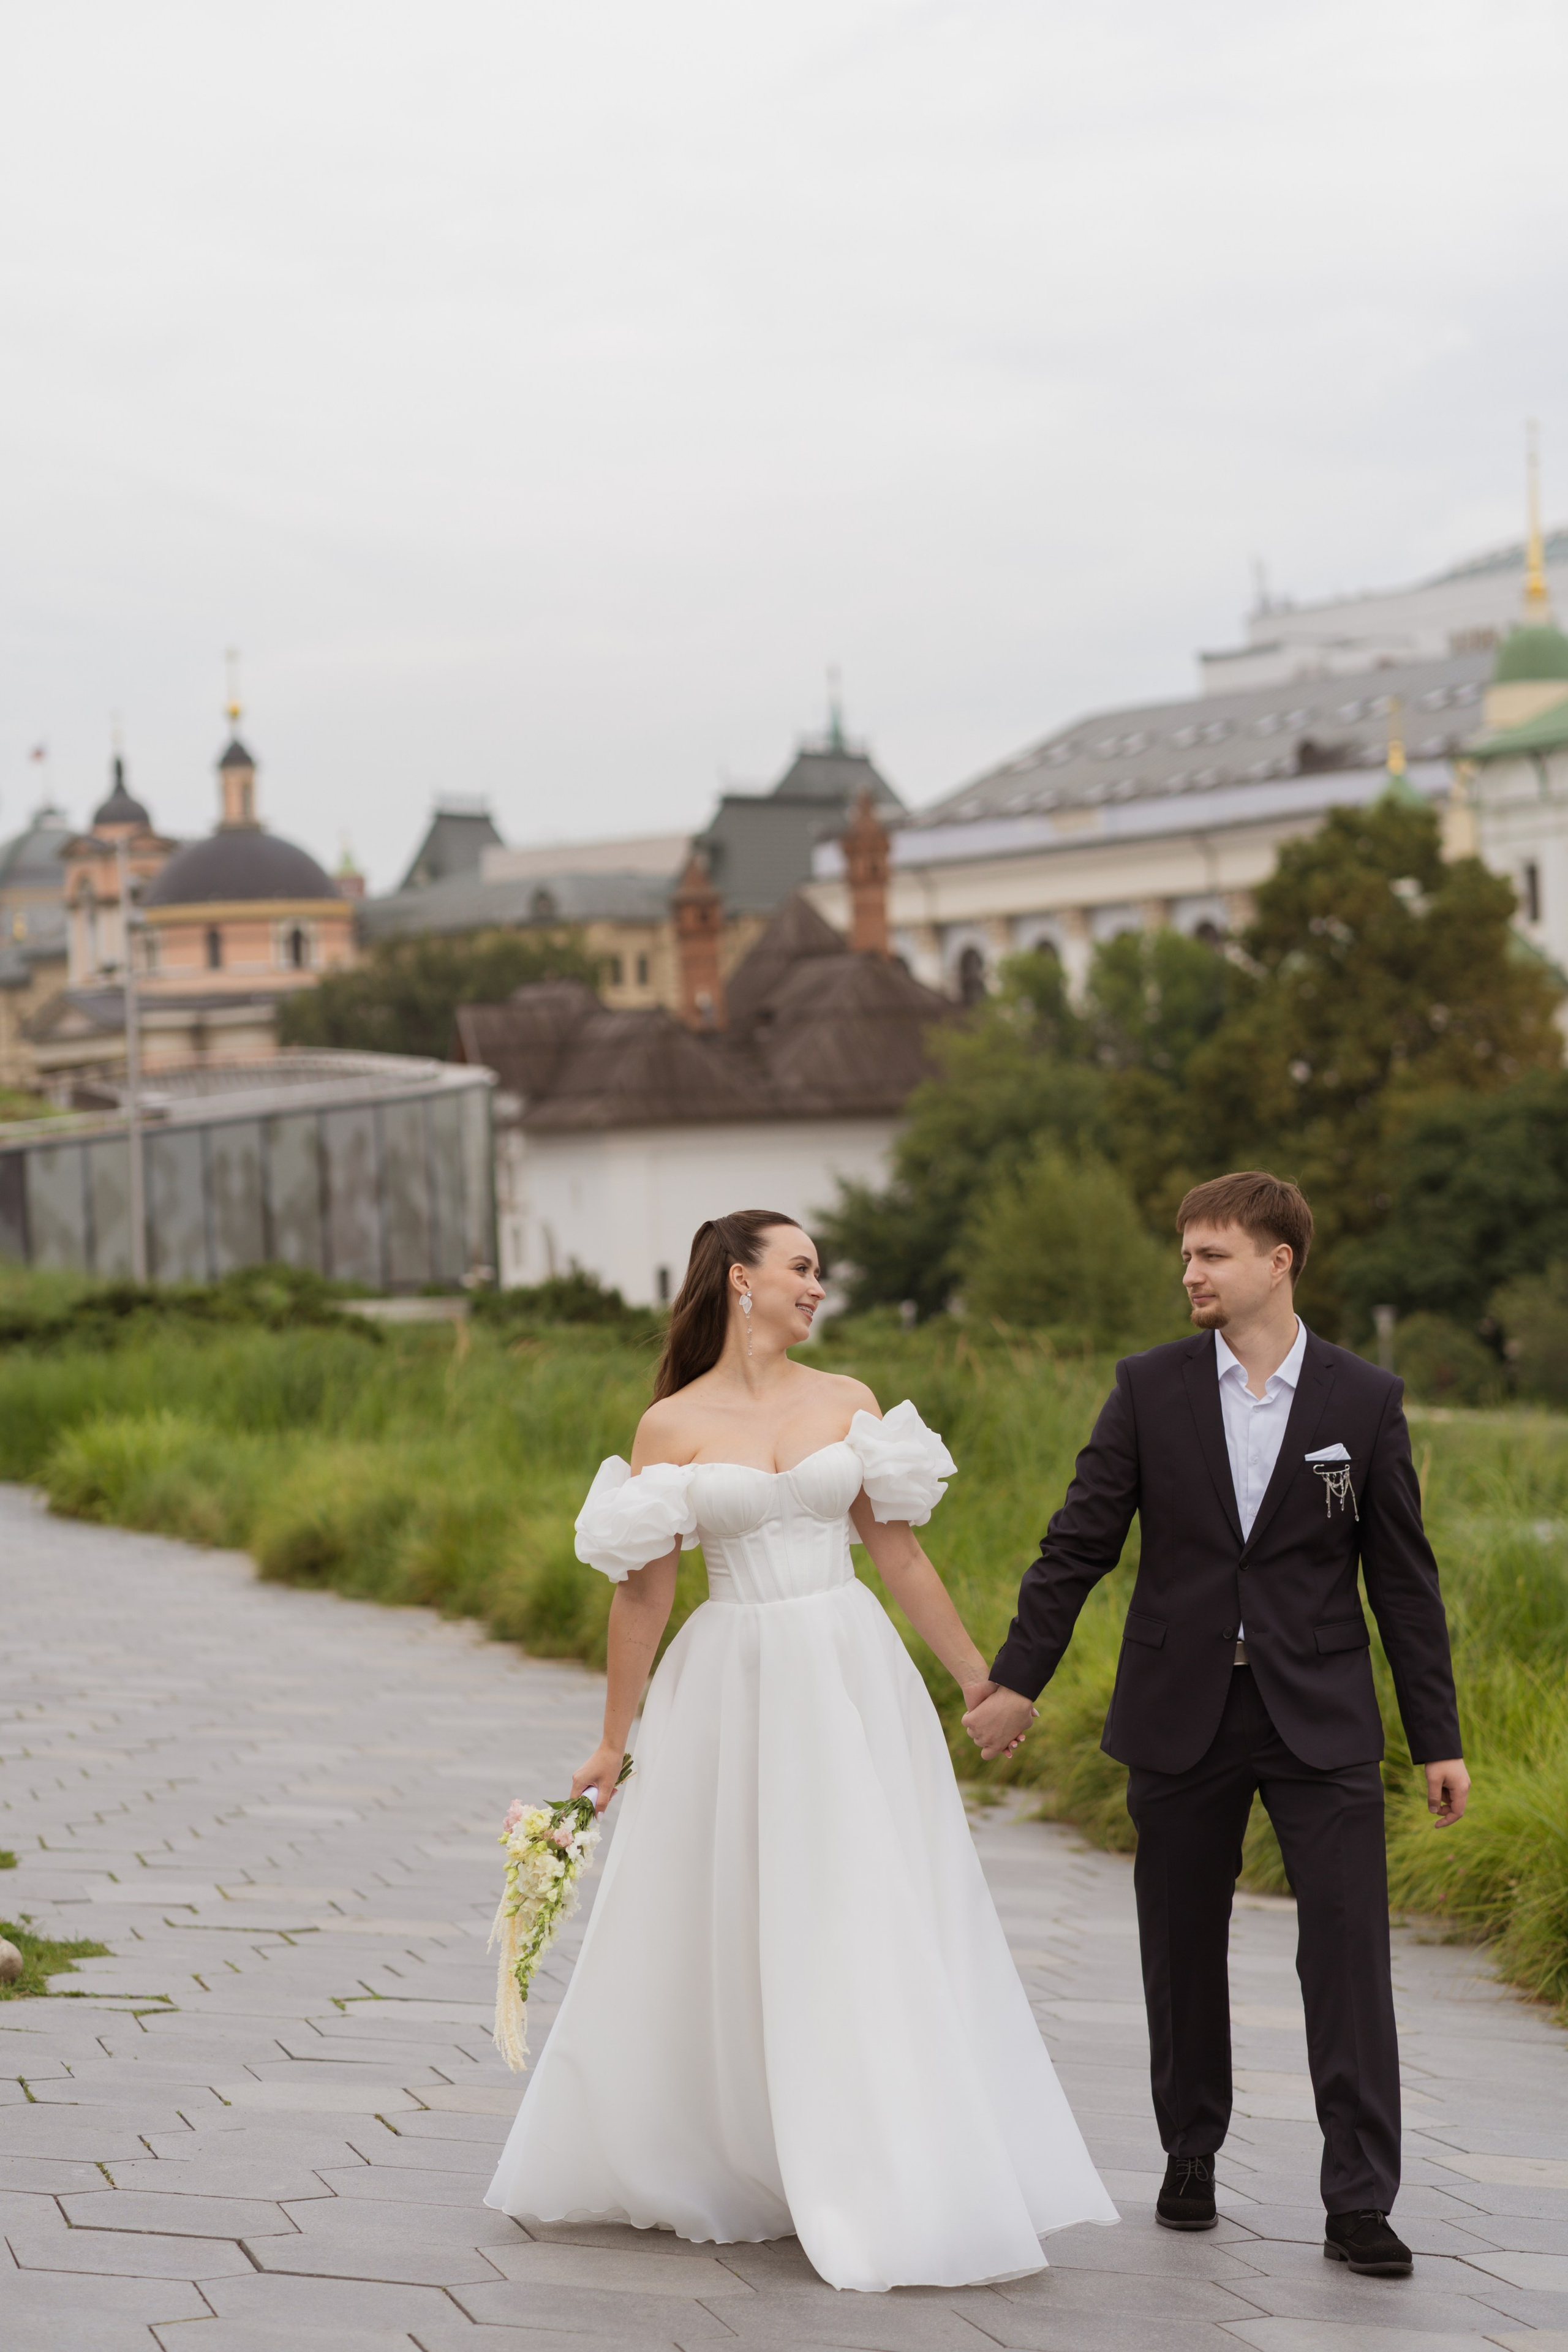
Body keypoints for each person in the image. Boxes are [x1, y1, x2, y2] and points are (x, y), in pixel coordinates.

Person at [486, 1208, 1117, 2293]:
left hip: (848, 1673)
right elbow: (644, 1595)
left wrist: (977, 1678)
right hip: (731, 1683)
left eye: (818, 1271)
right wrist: (612, 1740)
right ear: (742, 1280)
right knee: (744, 1907)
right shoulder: (671, 1425)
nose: (818, 1287)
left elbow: (898, 1556)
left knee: (864, 1897)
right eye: (803, 1268)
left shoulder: (847, 1401)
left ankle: (880, 2151)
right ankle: (750, 2145)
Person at [964, 1170, 1469, 2281]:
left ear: (1279, 1263)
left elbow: (1403, 1581)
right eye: (1187, 1253)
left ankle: (1359, 2201)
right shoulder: (1149, 1388)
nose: (1190, 1272)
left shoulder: (1363, 1400)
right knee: (1181, 1944)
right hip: (1180, 1709)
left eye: (1213, 1254)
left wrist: (1438, 1737)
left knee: (1348, 1953)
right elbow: (1078, 1544)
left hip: (1321, 1718)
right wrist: (1016, 1680)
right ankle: (1189, 2150)